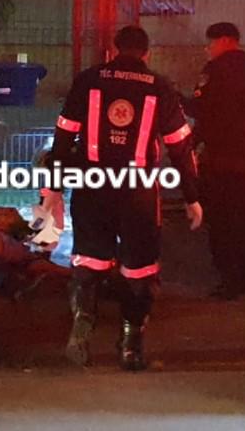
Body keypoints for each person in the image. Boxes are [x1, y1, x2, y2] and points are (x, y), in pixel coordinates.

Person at [51, 25, 202, 371]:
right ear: (147, 53)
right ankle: (131, 346)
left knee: (88, 261)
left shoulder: (88, 80)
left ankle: (81, 326)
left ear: (112, 50)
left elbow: (62, 137)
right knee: (140, 268)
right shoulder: (159, 86)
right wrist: (192, 196)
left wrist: (53, 189)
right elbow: (181, 147)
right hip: (139, 188)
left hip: (92, 183)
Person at [183, 22, 245, 300]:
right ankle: (244, 277)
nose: (207, 50)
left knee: (222, 222)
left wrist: (176, 100)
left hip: (220, 160)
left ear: (225, 41)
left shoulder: (214, 72)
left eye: (210, 44)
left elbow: (201, 110)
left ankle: (227, 279)